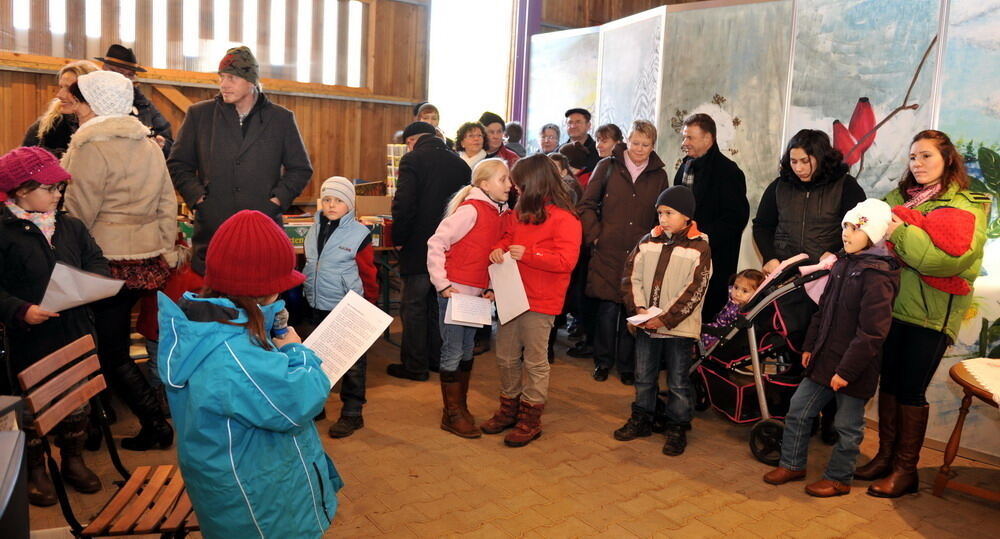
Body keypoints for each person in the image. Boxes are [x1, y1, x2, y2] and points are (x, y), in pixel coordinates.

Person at [158, 210, 341, 538]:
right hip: (258, 504)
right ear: (264, 290)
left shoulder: (211, 326)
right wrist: (296, 351)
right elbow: (299, 401)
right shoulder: (234, 355)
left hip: (242, 487)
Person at [859, 130, 988, 498]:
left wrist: (898, 232)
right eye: (913, 157)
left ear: (948, 159)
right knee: (890, 383)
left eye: (927, 156)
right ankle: (885, 457)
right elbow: (867, 232)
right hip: (892, 307)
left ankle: (905, 471)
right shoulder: (899, 198)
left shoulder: (967, 204)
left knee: (911, 389)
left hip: (932, 314)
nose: (918, 164)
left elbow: (943, 261)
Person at [61, 70, 177, 451]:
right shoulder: (147, 145)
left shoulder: (90, 147)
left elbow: (78, 213)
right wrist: (164, 249)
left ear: (93, 103)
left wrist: (67, 262)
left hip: (103, 261)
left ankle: (155, 424)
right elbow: (166, 203)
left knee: (110, 352)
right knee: (111, 345)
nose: (75, 107)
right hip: (143, 262)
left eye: (80, 100)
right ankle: (98, 423)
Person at [764, 199, 900, 497]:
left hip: (854, 369)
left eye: (855, 228)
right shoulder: (843, 264)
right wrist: (810, 345)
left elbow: (872, 333)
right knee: (799, 409)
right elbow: (822, 309)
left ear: (874, 234)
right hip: (825, 358)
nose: (846, 233)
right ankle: (792, 463)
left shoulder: (878, 276)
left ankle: (839, 478)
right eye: (845, 226)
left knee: (847, 426)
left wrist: (846, 371)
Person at [0, 147, 106, 506]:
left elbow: (97, 264)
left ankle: (73, 459)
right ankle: (35, 468)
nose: (58, 195)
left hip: (74, 330)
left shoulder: (71, 226)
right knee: (32, 407)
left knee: (78, 401)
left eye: (60, 187)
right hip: (29, 338)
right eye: (49, 188)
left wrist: (94, 284)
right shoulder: (4, 231)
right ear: (21, 190)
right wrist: (20, 309)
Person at [753, 129, 868, 444]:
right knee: (791, 348)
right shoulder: (779, 187)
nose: (799, 168)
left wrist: (838, 254)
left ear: (821, 158)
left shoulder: (845, 187)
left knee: (827, 351)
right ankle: (795, 416)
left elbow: (861, 231)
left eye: (806, 161)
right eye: (794, 161)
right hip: (789, 282)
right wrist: (771, 257)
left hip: (829, 283)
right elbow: (762, 226)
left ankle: (829, 420)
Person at [168, 45, 313, 276]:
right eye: (221, 77)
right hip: (214, 231)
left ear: (251, 81)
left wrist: (275, 201)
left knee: (260, 304)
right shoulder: (200, 115)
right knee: (216, 306)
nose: (224, 84)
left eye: (232, 78)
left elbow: (300, 169)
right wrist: (199, 199)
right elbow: (178, 164)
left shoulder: (280, 119)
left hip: (262, 230)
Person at [484, 154, 581, 447]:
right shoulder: (520, 211)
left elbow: (566, 261)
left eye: (520, 185)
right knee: (505, 356)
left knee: (535, 361)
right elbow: (506, 238)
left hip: (542, 301)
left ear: (535, 184)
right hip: (512, 295)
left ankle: (530, 418)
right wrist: (498, 250)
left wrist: (529, 254)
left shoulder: (566, 219)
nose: (515, 190)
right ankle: (509, 408)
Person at [616, 186, 711, 456]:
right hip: (646, 324)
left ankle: (677, 425)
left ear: (687, 216)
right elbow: (630, 276)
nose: (663, 218)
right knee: (644, 375)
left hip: (678, 329)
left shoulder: (700, 247)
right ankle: (642, 417)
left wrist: (666, 319)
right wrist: (640, 310)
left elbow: (694, 289)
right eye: (660, 213)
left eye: (670, 213)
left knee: (679, 380)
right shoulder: (648, 242)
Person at [579, 120, 671, 385]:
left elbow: (662, 213)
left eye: (646, 144)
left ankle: (627, 365)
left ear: (653, 146)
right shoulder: (607, 166)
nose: (640, 149)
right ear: (626, 141)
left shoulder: (659, 174)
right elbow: (586, 204)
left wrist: (654, 243)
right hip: (607, 249)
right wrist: (595, 235)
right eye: (635, 143)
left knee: (633, 308)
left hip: (641, 253)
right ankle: (603, 361)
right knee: (607, 308)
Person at [427, 159, 512, 438]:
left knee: (466, 350)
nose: (509, 185)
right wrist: (442, 284)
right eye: (503, 179)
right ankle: (450, 414)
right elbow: (437, 243)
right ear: (484, 185)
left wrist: (490, 287)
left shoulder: (500, 213)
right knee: (452, 350)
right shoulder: (471, 211)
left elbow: (489, 256)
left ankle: (459, 408)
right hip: (454, 295)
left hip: (476, 297)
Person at [387, 121, 472, 381]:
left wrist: (398, 238)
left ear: (411, 141)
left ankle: (415, 366)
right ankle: (438, 360)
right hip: (450, 247)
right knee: (439, 305)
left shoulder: (413, 159)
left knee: (413, 306)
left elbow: (404, 204)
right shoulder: (461, 164)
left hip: (418, 244)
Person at [303, 177, 379, 438]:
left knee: (353, 362)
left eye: (338, 200)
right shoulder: (312, 229)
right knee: (318, 357)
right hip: (317, 302)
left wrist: (369, 304)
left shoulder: (359, 234)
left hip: (347, 305)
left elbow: (368, 273)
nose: (332, 205)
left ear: (349, 204)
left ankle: (352, 412)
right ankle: (317, 406)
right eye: (327, 200)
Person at [674, 113, 749, 320]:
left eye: (690, 138)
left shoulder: (728, 172)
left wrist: (701, 238)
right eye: (684, 137)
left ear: (708, 139)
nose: (684, 143)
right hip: (683, 255)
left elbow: (736, 218)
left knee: (706, 317)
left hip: (714, 260)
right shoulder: (685, 167)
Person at [96, 44, 174, 157]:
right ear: (104, 69)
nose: (124, 78)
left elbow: (169, 142)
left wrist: (163, 144)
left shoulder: (144, 105)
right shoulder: (86, 100)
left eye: (130, 74)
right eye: (117, 72)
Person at [22, 60, 99, 158]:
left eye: (69, 89)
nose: (59, 95)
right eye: (61, 87)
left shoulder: (108, 128)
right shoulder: (46, 125)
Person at [701, 269, 765, 350]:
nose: (737, 293)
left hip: (724, 335)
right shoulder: (730, 294)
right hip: (717, 326)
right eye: (736, 287)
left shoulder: (745, 311)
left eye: (745, 291)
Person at [564, 108, 600, 173]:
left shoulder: (599, 150)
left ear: (588, 125)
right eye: (570, 122)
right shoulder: (558, 151)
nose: (573, 126)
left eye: (578, 122)